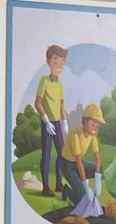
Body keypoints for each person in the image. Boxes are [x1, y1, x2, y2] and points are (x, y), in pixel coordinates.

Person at [34, 42, 68, 198]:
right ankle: (45, 186)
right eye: (56, 61)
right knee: (46, 155)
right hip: (46, 123)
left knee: (62, 153)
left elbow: (61, 104)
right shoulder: (44, 80)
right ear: (49, 61)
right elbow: (37, 103)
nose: (59, 65)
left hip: (57, 122)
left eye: (62, 62)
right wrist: (46, 122)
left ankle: (59, 183)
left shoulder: (60, 83)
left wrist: (65, 121)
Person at [60, 102, 105, 209]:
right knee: (82, 199)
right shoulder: (75, 135)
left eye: (97, 126)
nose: (95, 129)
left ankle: (78, 182)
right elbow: (79, 160)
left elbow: (97, 156)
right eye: (93, 125)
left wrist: (97, 179)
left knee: (99, 169)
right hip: (67, 165)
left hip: (77, 164)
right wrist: (85, 186)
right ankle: (67, 190)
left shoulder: (92, 135)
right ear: (85, 121)